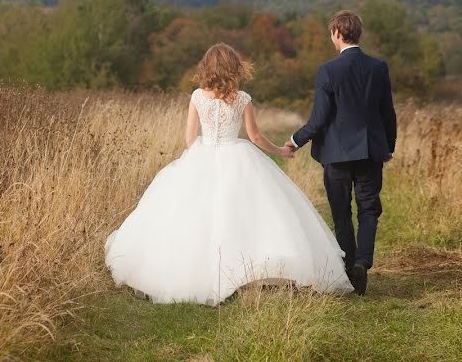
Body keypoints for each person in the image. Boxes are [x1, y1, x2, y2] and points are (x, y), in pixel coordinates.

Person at [105, 43, 352, 305]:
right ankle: (244, 269)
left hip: (204, 153)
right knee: (245, 214)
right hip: (236, 154)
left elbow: (190, 138)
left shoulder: (197, 97)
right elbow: (255, 136)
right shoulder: (242, 98)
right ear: (234, 67)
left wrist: (200, 156)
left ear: (206, 68)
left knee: (194, 215)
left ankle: (198, 270)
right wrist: (280, 151)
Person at [286, 10, 397, 296]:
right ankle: (363, 262)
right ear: (358, 33)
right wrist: (389, 147)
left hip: (336, 154)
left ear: (336, 33)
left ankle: (349, 270)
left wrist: (295, 141)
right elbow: (388, 114)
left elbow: (319, 118)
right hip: (372, 150)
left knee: (341, 212)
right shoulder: (378, 67)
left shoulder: (328, 71)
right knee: (369, 208)